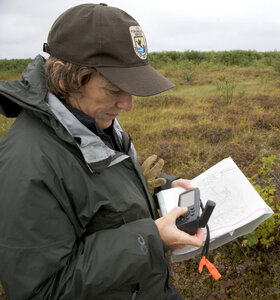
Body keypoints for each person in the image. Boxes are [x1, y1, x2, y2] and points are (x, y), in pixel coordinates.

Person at [0, 3, 204, 299]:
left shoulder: (88, 121)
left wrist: (160, 185)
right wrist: (150, 239)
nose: (128, 104)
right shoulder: (27, 166)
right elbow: (43, 291)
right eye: (113, 89)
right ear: (63, 77)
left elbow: (95, 187)